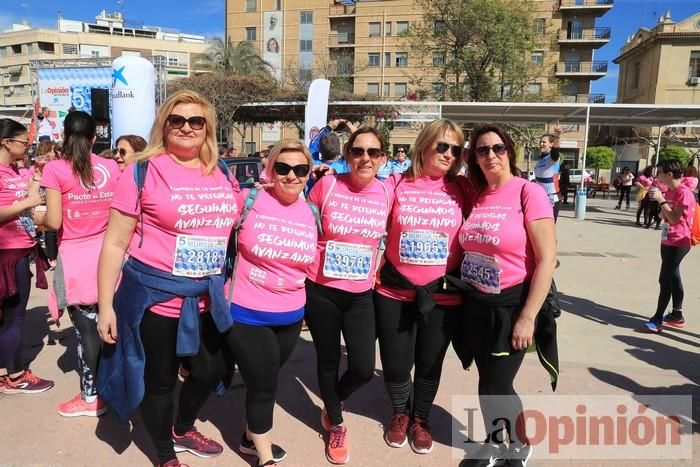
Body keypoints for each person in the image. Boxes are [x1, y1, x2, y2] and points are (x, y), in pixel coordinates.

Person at [96, 90, 239, 467]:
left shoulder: (221, 171)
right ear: (164, 125)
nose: (187, 127)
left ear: (208, 127)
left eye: (196, 121)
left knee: (213, 369)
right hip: (155, 298)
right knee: (158, 382)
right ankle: (164, 454)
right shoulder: (141, 170)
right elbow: (114, 243)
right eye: (177, 120)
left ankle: (182, 426)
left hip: (208, 296)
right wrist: (105, 306)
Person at [458, 125, 558, 467]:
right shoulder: (478, 196)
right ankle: (497, 442)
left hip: (512, 305)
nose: (490, 156)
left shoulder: (528, 192)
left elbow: (546, 259)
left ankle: (519, 443)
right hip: (476, 305)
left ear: (510, 152)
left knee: (498, 383)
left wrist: (528, 316)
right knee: (488, 381)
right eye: (482, 150)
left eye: (498, 148)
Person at [224, 140, 318, 467]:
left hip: (291, 316)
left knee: (265, 379)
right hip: (246, 312)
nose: (291, 176)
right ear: (271, 169)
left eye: (300, 169)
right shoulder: (248, 200)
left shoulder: (311, 211)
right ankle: (264, 458)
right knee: (265, 384)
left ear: (309, 173)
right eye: (283, 168)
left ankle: (250, 437)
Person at [374, 119, 465, 455]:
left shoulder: (462, 188)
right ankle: (400, 413)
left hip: (443, 295)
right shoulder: (395, 183)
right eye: (442, 146)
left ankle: (420, 419)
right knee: (397, 364)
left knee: (429, 363)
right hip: (394, 291)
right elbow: (363, 210)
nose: (449, 154)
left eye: (456, 149)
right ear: (423, 146)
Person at [306, 127, 392, 464]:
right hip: (322, 290)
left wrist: (380, 265)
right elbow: (301, 224)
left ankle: (332, 400)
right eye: (358, 151)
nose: (365, 158)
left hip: (360, 295)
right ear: (347, 157)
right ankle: (336, 423)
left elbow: (395, 236)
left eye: (372, 152)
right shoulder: (327, 186)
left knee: (363, 368)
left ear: (382, 159)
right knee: (327, 362)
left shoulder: (387, 192)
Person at [41, 111, 121, 417]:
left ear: (63, 134)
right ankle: (111, 385)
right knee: (110, 322)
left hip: (75, 259)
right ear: (94, 138)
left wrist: (38, 219)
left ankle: (91, 397)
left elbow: (54, 220)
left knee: (86, 331)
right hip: (111, 255)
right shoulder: (112, 167)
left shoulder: (54, 170)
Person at [0, 118, 54, 394]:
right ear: (6, 142)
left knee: (11, 315)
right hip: (6, 254)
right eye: (24, 142)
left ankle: (7, 369)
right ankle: (14, 376)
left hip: (22, 248)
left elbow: (31, 197)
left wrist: (36, 176)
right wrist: (29, 203)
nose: (28, 147)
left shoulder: (12, 171)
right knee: (14, 317)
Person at [644, 159, 697, 333]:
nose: (657, 176)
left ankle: (657, 318)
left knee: (664, 278)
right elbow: (664, 215)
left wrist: (661, 199)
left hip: (679, 241)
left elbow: (674, 218)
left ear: (669, 174)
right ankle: (676, 314)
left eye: (660, 172)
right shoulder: (670, 191)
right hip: (667, 239)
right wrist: (660, 200)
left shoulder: (684, 193)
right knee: (673, 276)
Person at [534, 126, 562, 220]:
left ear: (551, 144)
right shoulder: (540, 160)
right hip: (540, 198)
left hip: (552, 199)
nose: (541, 144)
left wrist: (557, 135)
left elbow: (555, 150)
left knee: (548, 230)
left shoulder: (552, 158)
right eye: (540, 142)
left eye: (544, 142)